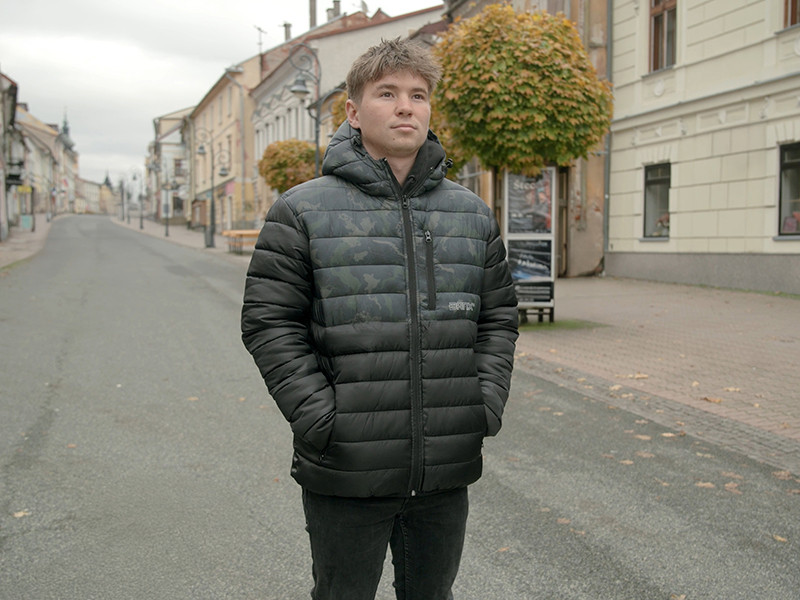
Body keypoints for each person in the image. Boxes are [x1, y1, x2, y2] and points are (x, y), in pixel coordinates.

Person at [241, 38, 518, 600]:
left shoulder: (469, 213)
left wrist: (482, 404)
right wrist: (323, 419)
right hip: (347, 466)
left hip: (444, 467)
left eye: (418, 94)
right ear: (353, 110)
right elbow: (269, 322)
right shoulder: (301, 210)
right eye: (387, 93)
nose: (405, 107)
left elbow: (497, 319)